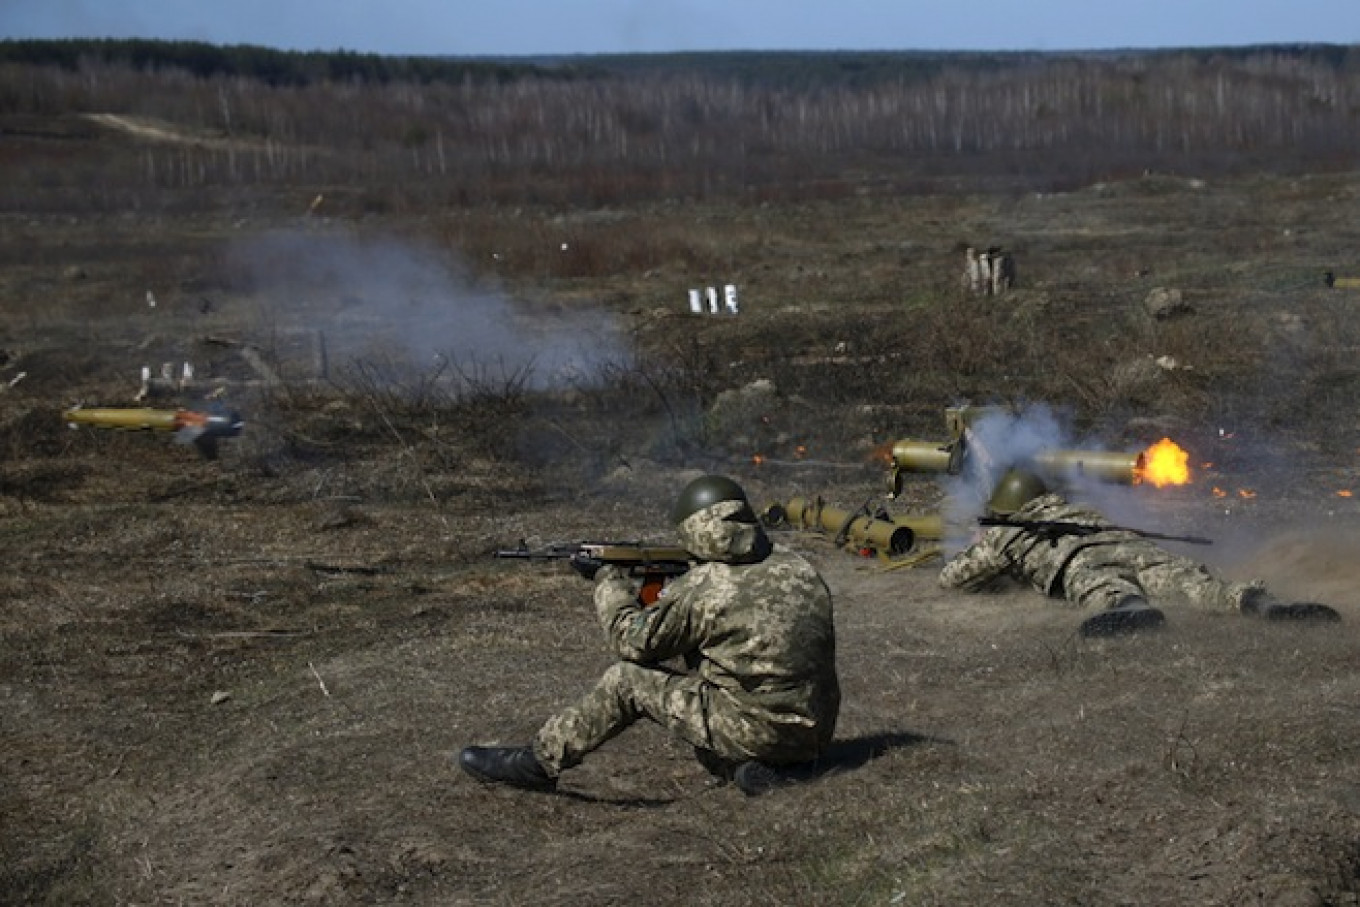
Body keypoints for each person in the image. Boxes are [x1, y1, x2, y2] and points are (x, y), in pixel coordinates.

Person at [458, 474, 841, 796]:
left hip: (755, 730)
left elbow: (633, 643)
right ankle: (767, 771)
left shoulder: (704, 588)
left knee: (626, 681)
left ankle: (539, 762)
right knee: (709, 738)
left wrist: (608, 581)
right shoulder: (798, 565)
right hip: (815, 730)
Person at [939, 468, 1341, 638]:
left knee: (1103, 588)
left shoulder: (1006, 535)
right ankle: (1259, 602)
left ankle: (1128, 609)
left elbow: (955, 579)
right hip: (1134, 547)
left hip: (1082, 562)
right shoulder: (1076, 509)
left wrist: (978, 546)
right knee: (1196, 584)